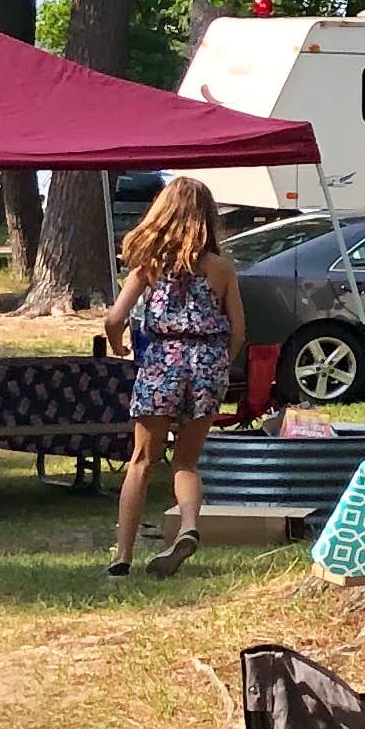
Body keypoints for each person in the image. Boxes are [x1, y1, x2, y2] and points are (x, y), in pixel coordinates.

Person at [96, 176, 243, 577]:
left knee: (141, 460)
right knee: (187, 461)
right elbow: (239, 332)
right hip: (207, 365)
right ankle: (190, 528)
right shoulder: (221, 269)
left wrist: (118, 344)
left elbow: (114, 318)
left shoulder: (149, 267)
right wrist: (218, 364)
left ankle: (121, 557)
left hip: (162, 362)